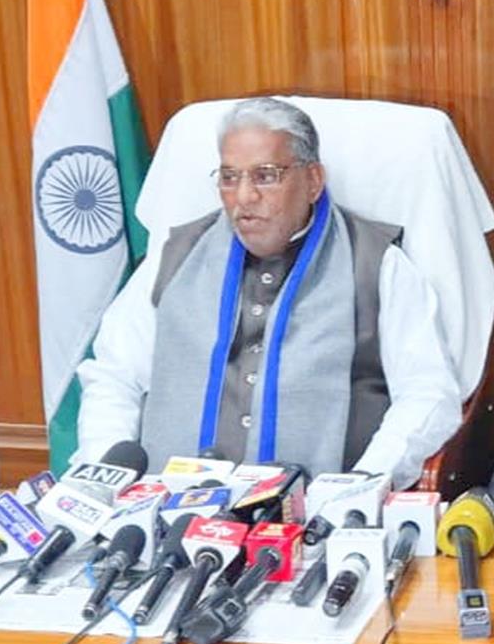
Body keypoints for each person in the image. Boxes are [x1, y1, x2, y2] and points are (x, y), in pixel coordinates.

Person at [76, 98, 462, 485]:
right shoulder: (175, 258)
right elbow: (114, 375)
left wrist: (366, 482)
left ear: (313, 181)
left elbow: (427, 391)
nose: (244, 197)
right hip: (171, 506)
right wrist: (106, 476)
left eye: (265, 176)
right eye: (229, 177)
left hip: (316, 510)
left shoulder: (375, 263)